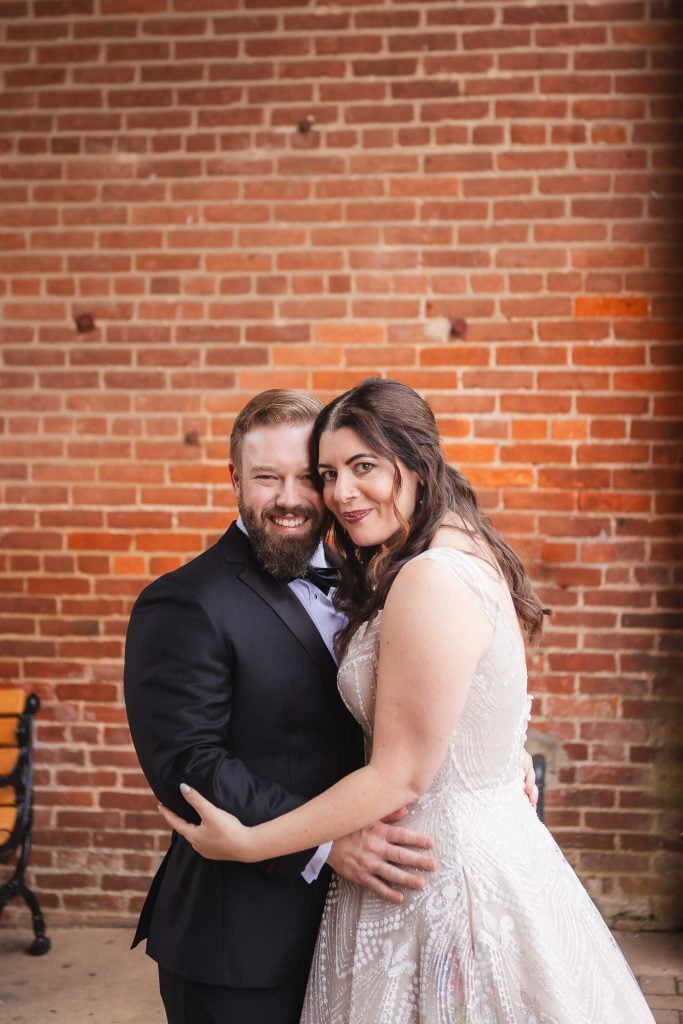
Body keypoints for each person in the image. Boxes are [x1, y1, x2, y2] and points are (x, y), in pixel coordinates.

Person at [161, 378, 655, 1024]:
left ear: (417, 460)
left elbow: (400, 773)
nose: (340, 493)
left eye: (362, 466)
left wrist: (250, 843)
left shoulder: (428, 577)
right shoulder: (453, 550)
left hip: (441, 876)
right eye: (330, 472)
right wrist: (495, 776)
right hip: (439, 850)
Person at [123, 388, 445, 1024]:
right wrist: (326, 843)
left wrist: (491, 748)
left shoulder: (376, 577)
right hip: (241, 940)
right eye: (268, 477)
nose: (293, 498)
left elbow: (418, 697)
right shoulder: (183, 602)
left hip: (368, 930)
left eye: (309, 477)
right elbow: (190, 764)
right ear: (235, 478)